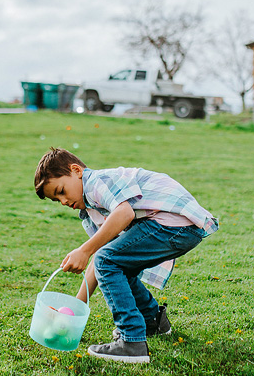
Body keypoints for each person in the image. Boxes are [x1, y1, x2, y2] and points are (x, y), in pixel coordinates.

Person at [33, 147, 218, 363]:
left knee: (107, 260)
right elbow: (101, 259)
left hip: (175, 222)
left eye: (61, 190)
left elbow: (124, 213)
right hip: (179, 228)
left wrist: (85, 250)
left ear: (76, 170)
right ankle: (153, 322)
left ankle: (131, 342)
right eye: (57, 200)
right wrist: (74, 310)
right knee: (115, 263)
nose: (63, 201)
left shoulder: (97, 182)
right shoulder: (91, 211)